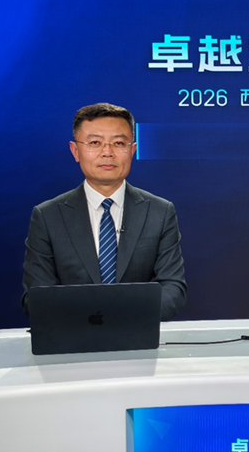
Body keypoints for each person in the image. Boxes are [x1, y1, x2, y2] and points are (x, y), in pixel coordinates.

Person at [21, 103, 187, 321]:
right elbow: (36, 296)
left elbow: (173, 288)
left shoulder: (160, 212)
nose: (107, 153)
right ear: (75, 151)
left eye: (119, 143)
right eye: (95, 143)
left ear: (132, 150)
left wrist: (121, 319)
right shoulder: (48, 216)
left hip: (137, 334)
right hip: (72, 337)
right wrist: (93, 320)